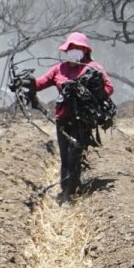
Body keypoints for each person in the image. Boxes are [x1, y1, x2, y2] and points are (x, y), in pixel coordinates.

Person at [33, 31, 115, 205]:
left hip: (82, 120)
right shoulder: (59, 69)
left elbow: (108, 88)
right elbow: (40, 83)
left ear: (85, 50)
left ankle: (71, 193)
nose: (74, 51)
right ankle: (65, 191)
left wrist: (90, 92)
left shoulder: (93, 68)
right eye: (71, 48)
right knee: (65, 156)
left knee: (74, 155)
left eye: (77, 48)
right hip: (62, 119)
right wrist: (26, 82)